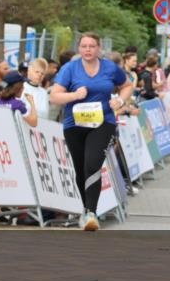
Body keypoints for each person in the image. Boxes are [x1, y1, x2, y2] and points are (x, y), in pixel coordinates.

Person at [49, 32, 134, 231]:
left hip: (103, 122)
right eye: (84, 46)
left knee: (92, 163)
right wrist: (74, 95)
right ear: (79, 49)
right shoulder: (70, 68)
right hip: (75, 125)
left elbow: (127, 85)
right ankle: (86, 210)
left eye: (92, 46)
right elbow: (54, 97)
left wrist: (120, 100)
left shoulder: (110, 67)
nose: (88, 50)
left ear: (98, 49)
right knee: (80, 169)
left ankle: (91, 213)